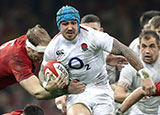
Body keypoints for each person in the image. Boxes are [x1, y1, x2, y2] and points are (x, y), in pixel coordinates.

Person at [40, 5, 155, 115]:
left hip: (100, 88)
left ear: (78, 23)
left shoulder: (93, 36)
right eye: (65, 24)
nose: (70, 27)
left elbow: (125, 50)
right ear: (59, 26)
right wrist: (53, 87)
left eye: (73, 23)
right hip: (77, 92)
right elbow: (42, 72)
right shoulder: (53, 47)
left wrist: (145, 75)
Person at [54, 14, 128, 113]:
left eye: (93, 30)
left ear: (101, 31)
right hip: (81, 98)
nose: (89, 34)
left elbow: (127, 81)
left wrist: (112, 87)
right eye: (85, 31)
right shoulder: (71, 55)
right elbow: (64, 77)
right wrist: (62, 94)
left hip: (110, 101)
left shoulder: (114, 54)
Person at [0, 24, 85, 100]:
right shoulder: (17, 59)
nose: (44, 56)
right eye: (41, 53)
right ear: (29, 49)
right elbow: (38, 93)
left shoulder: (30, 40)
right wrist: (67, 90)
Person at [115, 30, 160, 115]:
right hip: (137, 110)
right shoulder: (130, 66)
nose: (147, 51)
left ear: (159, 47)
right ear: (139, 47)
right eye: (144, 46)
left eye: (152, 46)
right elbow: (118, 95)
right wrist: (136, 97)